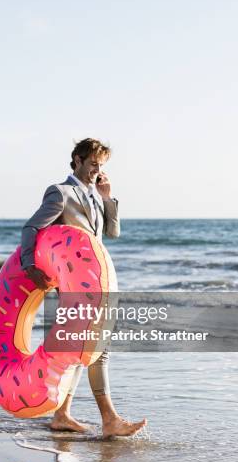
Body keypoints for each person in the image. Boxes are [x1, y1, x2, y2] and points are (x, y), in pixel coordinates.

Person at [20, 138, 147, 438]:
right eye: (92, 165)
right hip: (75, 285)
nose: (96, 171)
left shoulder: (95, 196)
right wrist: (29, 266)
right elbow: (31, 227)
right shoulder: (61, 193)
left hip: (96, 282)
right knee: (96, 350)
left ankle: (62, 414)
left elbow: (112, 233)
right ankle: (109, 420)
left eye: (100, 166)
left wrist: (107, 198)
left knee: (78, 350)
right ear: (77, 160)